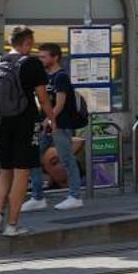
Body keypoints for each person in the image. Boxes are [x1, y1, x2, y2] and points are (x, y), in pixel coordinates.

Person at [0, 27, 50, 237]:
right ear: (26, 42)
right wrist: (51, 119)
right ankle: (12, 225)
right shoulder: (32, 63)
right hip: (24, 122)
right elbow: (43, 98)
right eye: (31, 43)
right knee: (22, 171)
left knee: (5, 169)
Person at [28, 42, 86, 210]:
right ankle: (38, 197)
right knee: (33, 157)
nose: (41, 60)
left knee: (67, 159)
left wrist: (49, 119)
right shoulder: (45, 77)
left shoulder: (61, 77)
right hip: (47, 125)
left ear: (55, 57)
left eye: (44, 57)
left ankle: (75, 196)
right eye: (39, 56)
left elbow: (60, 104)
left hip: (60, 125)